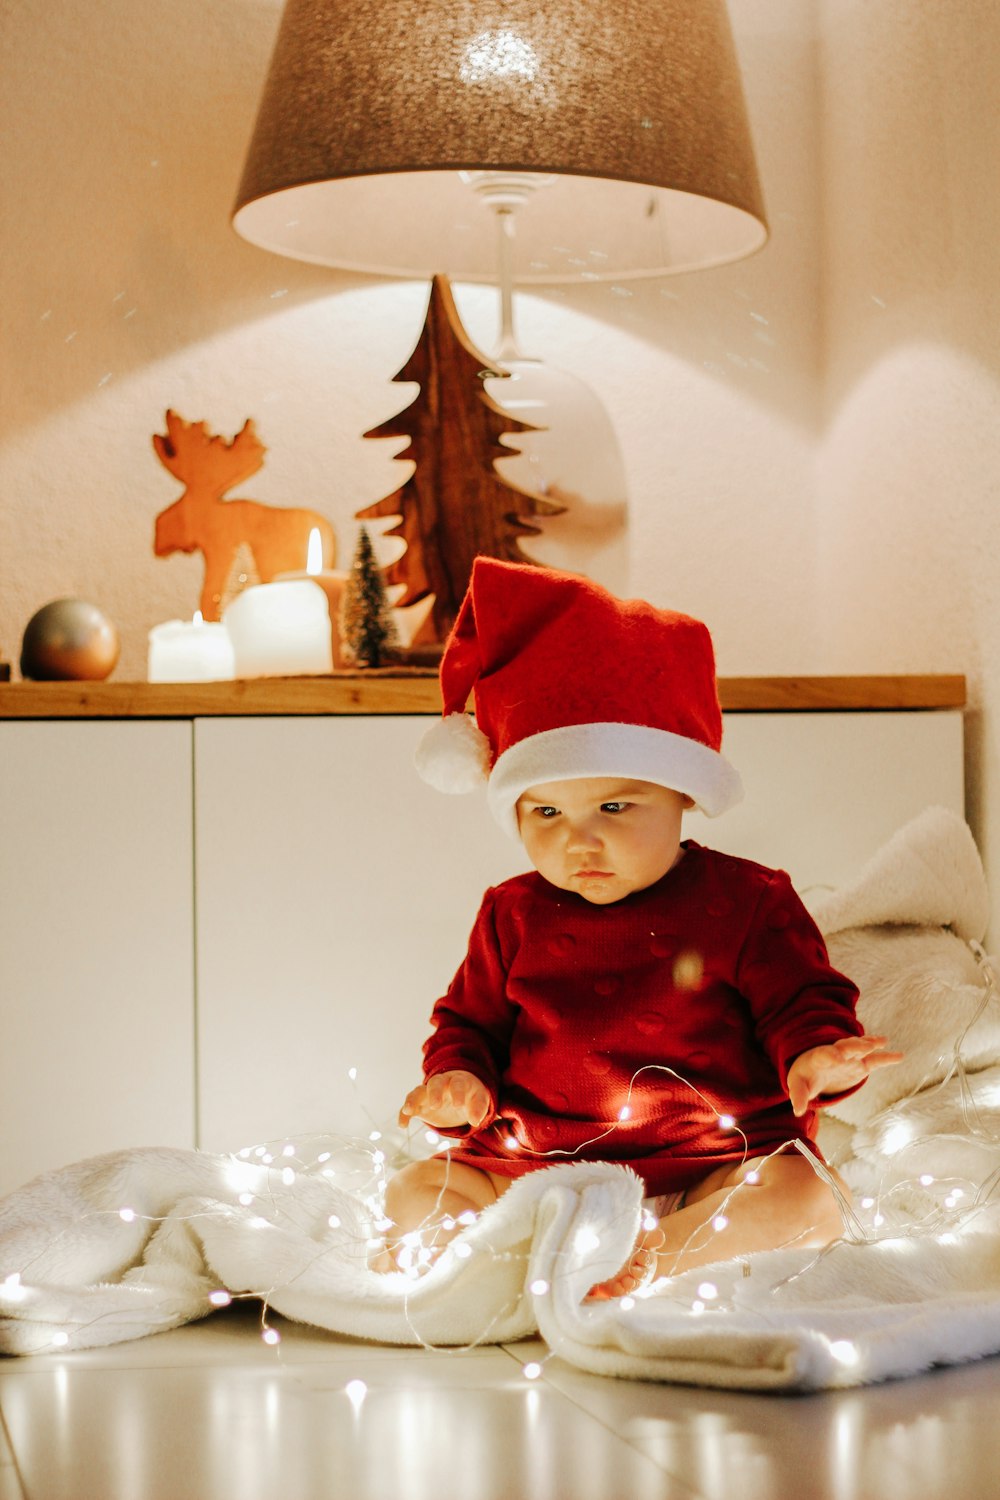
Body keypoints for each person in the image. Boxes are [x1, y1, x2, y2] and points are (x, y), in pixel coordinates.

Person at [376, 558, 901, 1296]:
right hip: (532, 1169)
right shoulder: (510, 910)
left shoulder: (748, 899)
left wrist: (814, 1054)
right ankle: (484, 1265)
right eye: (547, 813)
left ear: (682, 794)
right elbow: (468, 1021)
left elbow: (800, 997)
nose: (577, 842)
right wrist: (458, 1079)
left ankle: (654, 1254)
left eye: (615, 809)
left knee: (811, 1199)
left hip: (708, 1169)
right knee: (413, 1195)